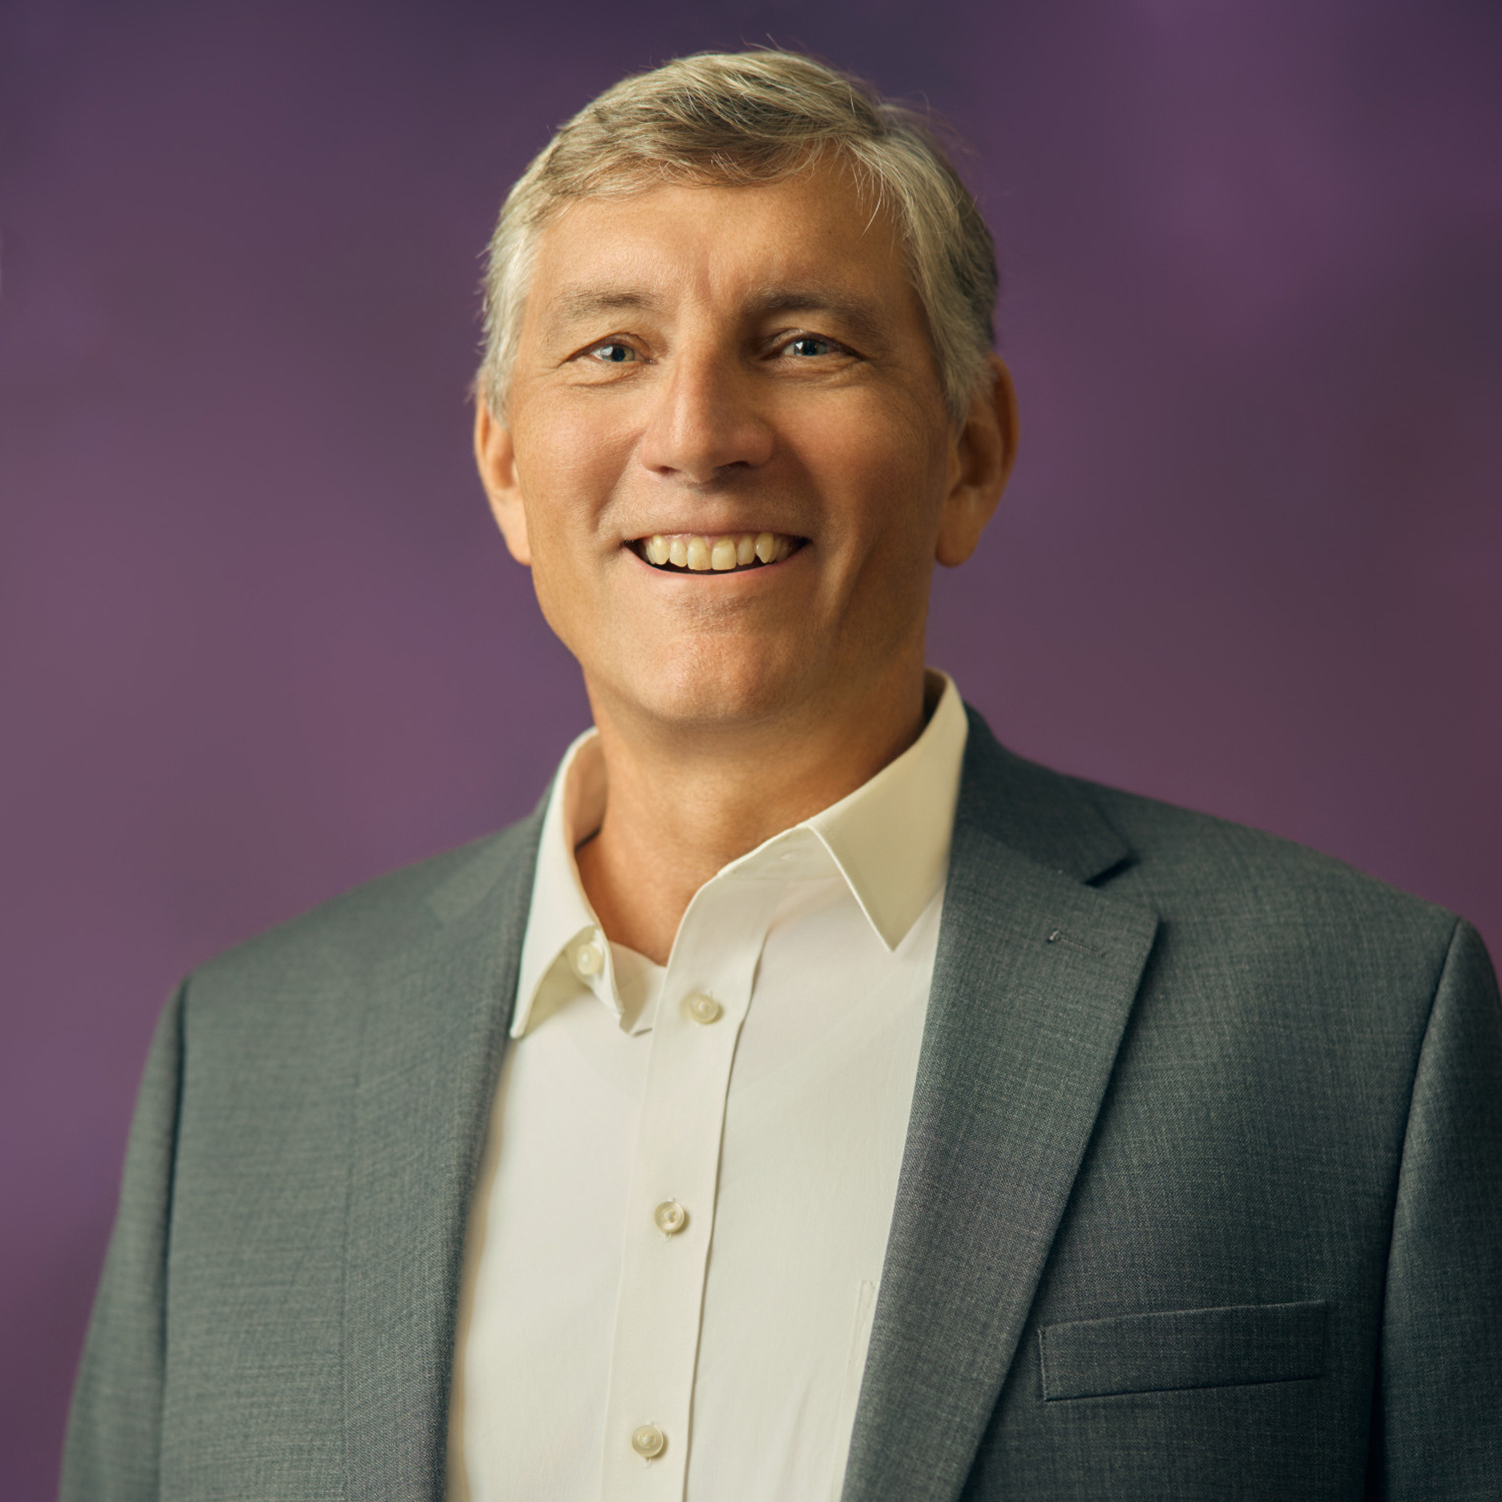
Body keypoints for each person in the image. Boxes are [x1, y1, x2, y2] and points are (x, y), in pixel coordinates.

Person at [61, 49, 1500, 1502]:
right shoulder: (242, 1070)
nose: (697, 437)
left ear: (970, 453)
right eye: (611, 349)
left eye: (804, 343)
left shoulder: (1362, 1030)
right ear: (505, 466)